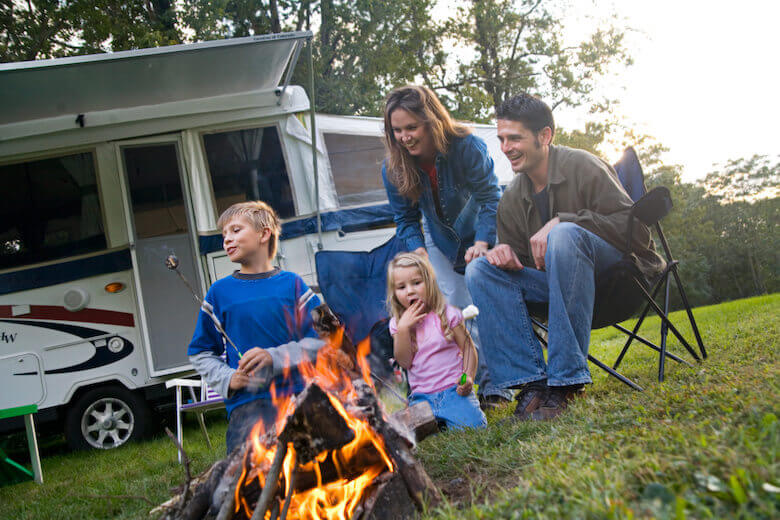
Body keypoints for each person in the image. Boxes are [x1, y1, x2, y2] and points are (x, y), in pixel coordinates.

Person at [465, 94, 666, 421]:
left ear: (545, 136)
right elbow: (526, 266)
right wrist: (504, 255)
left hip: (617, 281)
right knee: (480, 270)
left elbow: (637, 233)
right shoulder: (512, 199)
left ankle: (566, 384)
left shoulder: (582, 165)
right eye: (502, 138)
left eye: (515, 138)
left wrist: (566, 221)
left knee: (564, 234)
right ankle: (532, 384)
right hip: (558, 293)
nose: (505, 147)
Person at [381, 84, 513, 408]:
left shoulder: (466, 147)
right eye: (397, 130)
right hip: (437, 241)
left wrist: (483, 242)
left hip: (481, 230)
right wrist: (419, 253)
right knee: (455, 309)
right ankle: (467, 387)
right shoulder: (393, 168)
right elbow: (406, 218)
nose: (405, 137)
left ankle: (499, 388)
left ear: (432, 121)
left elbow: (490, 198)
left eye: (411, 127)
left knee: (483, 301)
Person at [188, 201, 325, 452]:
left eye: (236, 230)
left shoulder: (292, 284)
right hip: (249, 406)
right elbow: (200, 352)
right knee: (250, 479)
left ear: (264, 234)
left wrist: (273, 356)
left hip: (299, 396)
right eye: (224, 235)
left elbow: (323, 340)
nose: (227, 239)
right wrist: (228, 378)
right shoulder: (219, 293)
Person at [387, 252, 486, 429]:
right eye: (401, 287)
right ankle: (438, 423)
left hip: (453, 392)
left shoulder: (447, 314)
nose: (410, 291)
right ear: (394, 293)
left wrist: (469, 376)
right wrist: (403, 329)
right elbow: (404, 362)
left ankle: (447, 420)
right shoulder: (397, 324)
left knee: (475, 426)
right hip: (421, 398)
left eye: (416, 283)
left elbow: (468, 348)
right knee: (407, 434)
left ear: (430, 283)